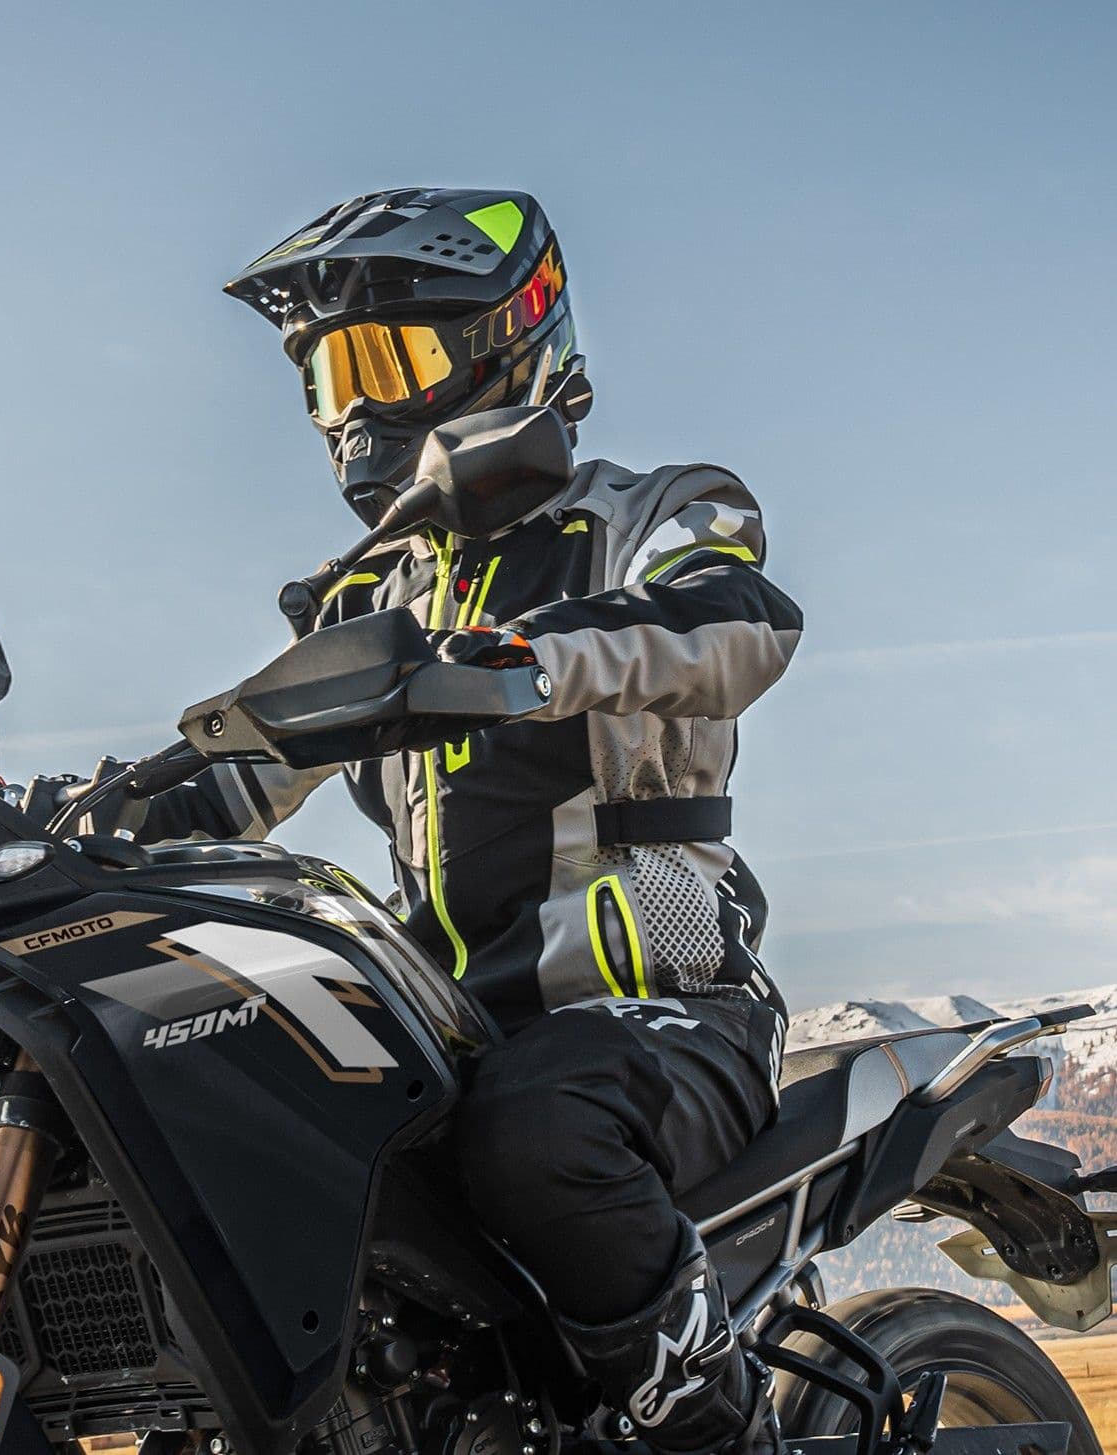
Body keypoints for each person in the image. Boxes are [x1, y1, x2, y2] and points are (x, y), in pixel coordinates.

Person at [143, 189, 802, 1455]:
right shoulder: (360, 601)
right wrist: (89, 811)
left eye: (389, 359)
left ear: (517, 339)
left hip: (667, 1019)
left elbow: (739, 618)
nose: (354, 407)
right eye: (329, 373)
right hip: (448, 1038)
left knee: (540, 1129)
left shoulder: (651, 510)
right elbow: (246, 769)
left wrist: (518, 655)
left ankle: (721, 1430)